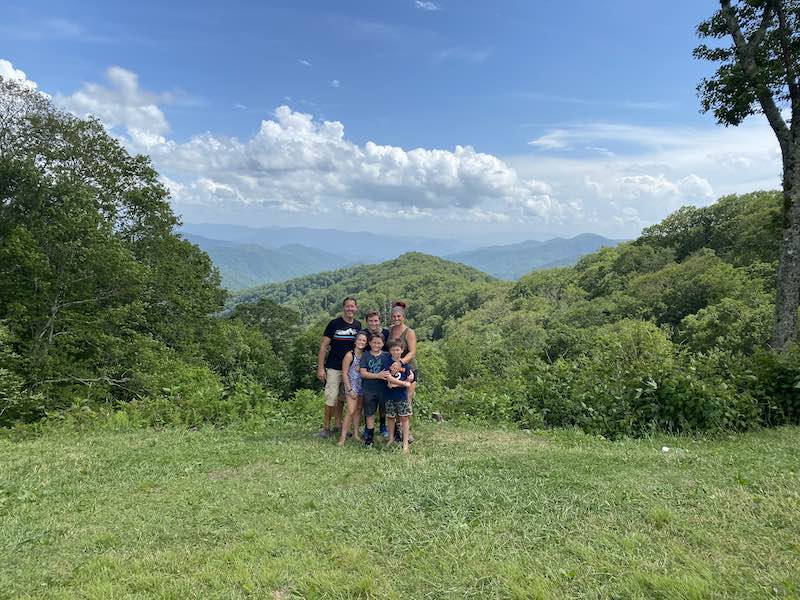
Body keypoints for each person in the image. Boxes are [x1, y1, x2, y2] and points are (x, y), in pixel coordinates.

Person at [316, 297, 361, 438]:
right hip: (334, 367)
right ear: (343, 307)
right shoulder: (334, 324)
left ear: (356, 308)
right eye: (347, 306)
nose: (350, 309)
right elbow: (324, 346)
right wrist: (321, 367)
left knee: (342, 398)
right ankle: (326, 428)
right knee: (331, 397)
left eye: (352, 306)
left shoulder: (358, 325)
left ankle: (338, 424)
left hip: (350, 368)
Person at [388, 301, 417, 441]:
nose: (396, 318)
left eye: (399, 316)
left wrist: (400, 362)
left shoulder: (409, 332)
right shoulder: (390, 331)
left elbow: (412, 352)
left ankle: (406, 430)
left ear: (403, 317)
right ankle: (396, 429)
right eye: (394, 316)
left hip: (408, 369)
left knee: (406, 399)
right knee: (394, 398)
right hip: (393, 370)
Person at [359, 332, 392, 446]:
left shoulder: (387, 355)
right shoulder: (366, 355)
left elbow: (395, 368)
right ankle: (369, 437)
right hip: (369, 389)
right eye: (374, 343)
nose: (376, 345)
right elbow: (363, 373)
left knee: (384, 410)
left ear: (383, 344)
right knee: (370, 413)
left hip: (384, 389)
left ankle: (387, 430)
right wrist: (378, 375)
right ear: (369, 343)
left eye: (379, 343)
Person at [338, 331, 368, 447]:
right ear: (355, 341)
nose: (361, 342)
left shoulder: (365, 355)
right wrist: (350, 389)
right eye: (359, 340)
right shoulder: (349, 355)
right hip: (352, 386)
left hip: (362, 385)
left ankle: (356, 434)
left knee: (358, 409)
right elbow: (344, 373)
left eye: (364, 340)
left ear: (366, 343)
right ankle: (342, 437)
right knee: (351, 410)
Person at [363, 310, 390, 438]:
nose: (373, 323)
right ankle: (368, 429)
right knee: (369, 405)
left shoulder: (386, 333)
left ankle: (383, 425)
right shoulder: (364, 333)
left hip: (384, 375)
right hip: (368, 372)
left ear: (379, 321)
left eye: (376, 320)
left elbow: (393, 351)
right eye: (370, 321)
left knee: (383, 405)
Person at [384, 340, 413, 453]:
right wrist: (404, 384)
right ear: (389, 351)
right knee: (390, 417)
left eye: (397, 350)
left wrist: (397, 384)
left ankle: (405, 443)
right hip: (389, 396)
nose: (395, 352)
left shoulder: (406, 365)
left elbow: (409, 380)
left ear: (402, 350)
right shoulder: (387, 363)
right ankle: (391, 439)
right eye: (393, 350)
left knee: (404, 418)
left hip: (402, 396)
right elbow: (388, 380)